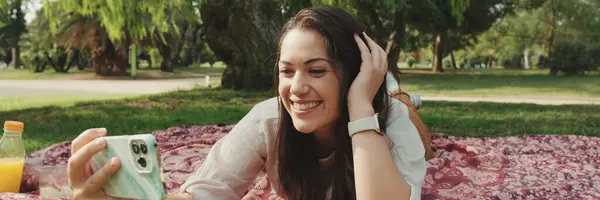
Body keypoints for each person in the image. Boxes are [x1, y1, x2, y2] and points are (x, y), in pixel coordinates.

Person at [66, 5, 426, 200]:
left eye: (316, 70)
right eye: (287, 71)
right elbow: (203, 194)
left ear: (352, 74)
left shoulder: (386, 121)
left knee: (405, 113)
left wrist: (362, 106)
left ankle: (395, 91)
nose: (296, 88)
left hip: (384, 109)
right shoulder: (269, 119)